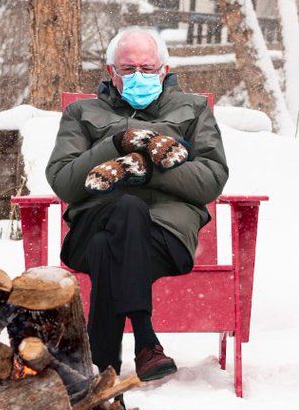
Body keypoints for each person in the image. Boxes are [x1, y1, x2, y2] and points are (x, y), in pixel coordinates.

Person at [46, 27, 229, 382]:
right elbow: (63, 181)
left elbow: (212, 178)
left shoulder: (192, 110)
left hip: (165, 238)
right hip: (90, 228)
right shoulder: (82, 113)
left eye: (147, 68)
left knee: (110, 241)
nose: (138, 76)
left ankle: (100, 364)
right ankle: (146, 341)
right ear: (111, 72)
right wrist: (115, 144)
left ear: (163, 69)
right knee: (124, 212)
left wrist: (145, 172)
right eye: (128, 69)